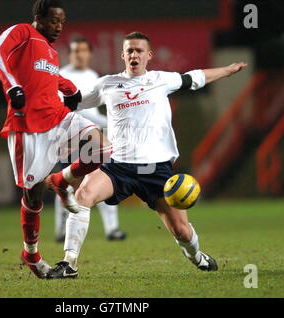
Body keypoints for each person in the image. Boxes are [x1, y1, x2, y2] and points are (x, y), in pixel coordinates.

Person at [46, 31, 247, 279]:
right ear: (123, 55)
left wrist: (227, 70)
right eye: (129, 50)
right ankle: (69, 263)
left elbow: (195, 77)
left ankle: (197, 256)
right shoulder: (107, 84)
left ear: (148, 55)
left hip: (156, 170)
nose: (134, 54)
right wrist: (41, 97)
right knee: (83, 195)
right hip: (117, 166)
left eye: (139, 50)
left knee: (182, 232)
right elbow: (73, 103)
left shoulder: (162, 80)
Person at [0, 0, 111, 279]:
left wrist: (71, 89)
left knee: (100, 147)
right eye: (54, 20)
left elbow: (47, 77)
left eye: (62, 22)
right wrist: (12, 85)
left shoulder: (50, 49)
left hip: (58, 116)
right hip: (27, 127)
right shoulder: (22, 33)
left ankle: (62, 179)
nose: (58, 27)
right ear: (38, 17)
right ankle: (30, 252)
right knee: (32, 195)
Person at [55, 37, 126, 242]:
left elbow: (91, 109)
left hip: (91, 136)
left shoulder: (93, 75)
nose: (80, 54)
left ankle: (112, 229)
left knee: (103, 178)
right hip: (69, 136)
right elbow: (71, 110)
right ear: (70, 54)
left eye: (84, 50)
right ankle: (61, 230)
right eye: (76, 51)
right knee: (67, 184)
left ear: (89, 54)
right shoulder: (63, 76)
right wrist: (108, 122)